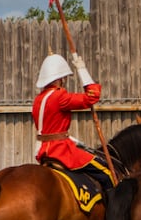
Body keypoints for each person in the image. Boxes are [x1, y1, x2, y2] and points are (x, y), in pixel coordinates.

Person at [33, 52, 113, 191]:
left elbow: (51, 128)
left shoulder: (39, 99)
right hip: (60, 150)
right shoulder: (59, 96)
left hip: (42, 150)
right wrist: (82, 70)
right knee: (107, 173)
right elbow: (92, 96)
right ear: (61, 78)